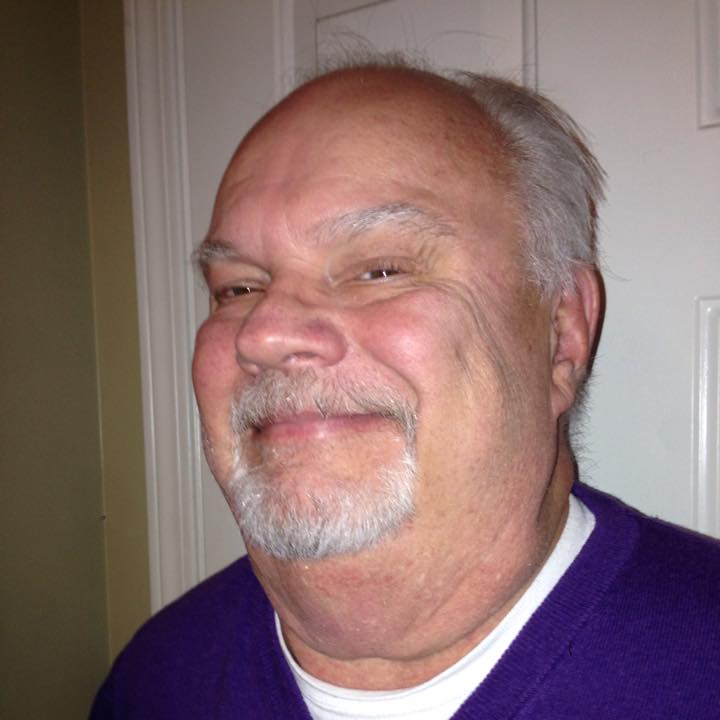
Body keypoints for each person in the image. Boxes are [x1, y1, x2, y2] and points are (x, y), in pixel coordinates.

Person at [91, 60, 720, 719]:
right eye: (237, 288)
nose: (263, 334)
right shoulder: (156, 678)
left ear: (561, 333)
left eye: (379, 270)